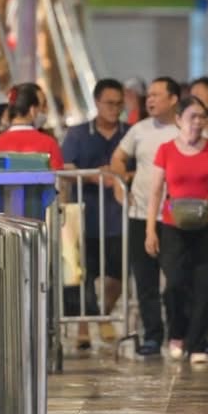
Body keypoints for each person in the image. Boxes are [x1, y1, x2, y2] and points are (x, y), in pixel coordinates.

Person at [146, 97, 208, 363]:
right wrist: (150, 229)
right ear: (178, 119)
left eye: (201, 117)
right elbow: (156, 191)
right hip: (173, 226)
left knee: (206, 284)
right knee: (175, 282)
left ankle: (199, 343)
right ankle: (177, 334)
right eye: (192, 116)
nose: (197, 122)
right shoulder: (166, 150)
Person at [112, 77, 181, 356]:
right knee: (145, 281)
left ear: (173, 99)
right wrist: (120, 188)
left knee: (176, 279)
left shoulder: (185, 129)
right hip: (141, 214)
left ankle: (180, 333)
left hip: (175, 217)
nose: (150, 100)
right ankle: (152, 335)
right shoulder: (138, 130)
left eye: (156, 95)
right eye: (148, 95)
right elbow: (118, 158)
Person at [61, 78, 129, 349]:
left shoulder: (129, 133)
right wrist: (93, 177)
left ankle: (104, 313)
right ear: (97, 102)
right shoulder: (78, 133)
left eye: (119, 104)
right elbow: (67, 168)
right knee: (83, 275)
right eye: (109, 103)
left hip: (118, 216)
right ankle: (83, 328)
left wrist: (120, 176)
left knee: (118, 273)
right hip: (85, 215)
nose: (114, 109)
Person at [0, 82, 64, 167]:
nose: (46, 110)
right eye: (43, 105)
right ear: (32, 110)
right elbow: (57, 176)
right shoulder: (49, 144)